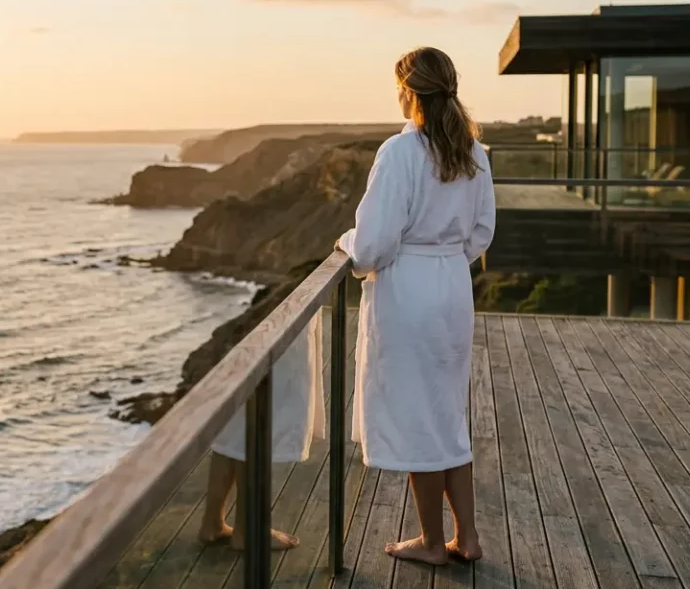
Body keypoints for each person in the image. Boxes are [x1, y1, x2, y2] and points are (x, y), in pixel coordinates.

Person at [336, 46, 496, 565]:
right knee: (447, 414)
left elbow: (374, 243)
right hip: (451, 286)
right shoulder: (475, 151)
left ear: (407, 91)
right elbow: (482, 232)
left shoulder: (399, 153)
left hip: (409, 291)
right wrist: (446, 259)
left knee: (418, 416)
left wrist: (347, 245)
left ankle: (432, 542)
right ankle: (466, 537)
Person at [196, 316, 321, 550]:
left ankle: (212, 522)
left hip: (240, 315)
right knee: (258, 417)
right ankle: (249, 529)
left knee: (235, 423)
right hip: (271, 318)